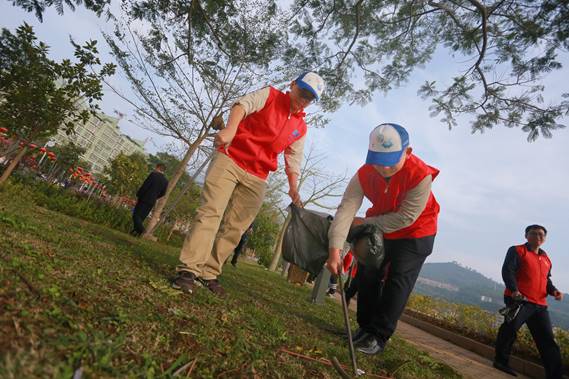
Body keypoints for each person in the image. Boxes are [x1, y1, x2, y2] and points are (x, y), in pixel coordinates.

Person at [172, 72, 325, 296]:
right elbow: (241, 105)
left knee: (236, 226)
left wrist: (293, 187)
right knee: (210, 212)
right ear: (293, 85)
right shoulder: (270, 95)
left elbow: (293, 159)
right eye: (302, 92)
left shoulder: (300, 128)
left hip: (258, 175)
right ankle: (188, 270)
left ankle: (209, 272)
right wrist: (231, 129)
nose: (304, 99)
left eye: (309, 98)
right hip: (231, 157)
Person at [326, 123, 440, 355]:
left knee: (398, 279)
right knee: (368, 273)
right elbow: (346, 210)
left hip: (416, 232)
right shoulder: (364, 173)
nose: (383, 167)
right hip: (380, 229)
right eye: (377, 159)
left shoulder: (420, 175)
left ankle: (378, 335)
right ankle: (365, 328)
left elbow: (406, 218)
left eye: (390, 160)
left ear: (407, 152)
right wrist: (335, 251)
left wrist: (365, 223)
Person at [493, 224, 564, 378]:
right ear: (526, 236)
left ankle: (555, 375)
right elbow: (508, 271)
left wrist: (554, 291)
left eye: (541, 234)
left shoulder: (546, 258)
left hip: (540, 305)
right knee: (510, 330)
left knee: (547, 340)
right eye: (533, 233)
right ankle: (500, 361)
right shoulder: (517, 250)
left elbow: (546, 281)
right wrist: (514, 290)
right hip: (520, 300)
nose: (538, 236)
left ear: (544, 239)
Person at [131, 163, 168, 236]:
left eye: (155, 168)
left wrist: (138, 194)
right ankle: (136, 233)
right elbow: (163, 193)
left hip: (144, 198)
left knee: (136, 215)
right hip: (152, 201)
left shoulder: (153, 175)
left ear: (158, 168)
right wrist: (155, 197)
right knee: (142, 217)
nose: (154, 169)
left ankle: (142, 230)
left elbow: (145, 186)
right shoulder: (165, 181)